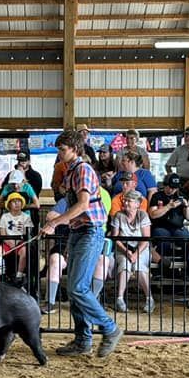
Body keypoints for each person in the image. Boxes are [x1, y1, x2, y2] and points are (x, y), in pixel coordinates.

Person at [41, 129, 121, 357]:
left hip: (90, 230)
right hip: (79, 231)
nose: (60, 153)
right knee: (77, 288)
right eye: (58, 149)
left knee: (77, 287)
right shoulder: (71, 171)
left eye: (62, 149)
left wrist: (55, 223)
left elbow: (83, 204)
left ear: (75, 149)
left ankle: (110, 328)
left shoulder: (82, 170)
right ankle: (82, 340)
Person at [110, 190, 152, 313]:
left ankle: (149, 299)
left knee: (139, 266)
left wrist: (136, 254)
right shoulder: (119, 215)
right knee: (125, 265)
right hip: (123, 248)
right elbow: (115, 238)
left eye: (129, 201)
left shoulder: (143, 215)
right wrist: (127, 251)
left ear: (137, 204)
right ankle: (120, 299)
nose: (126, 202)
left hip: (141, 248)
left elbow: (146, 239)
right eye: (125, 200)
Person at [148, 172, 189, 260]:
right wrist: (168, 206)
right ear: (165, 185)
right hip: (161, 226)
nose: (172, 190)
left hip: (177, 227)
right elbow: (153, 215)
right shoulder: (157, 196)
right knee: (164, 240)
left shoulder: (181, 196)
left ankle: (185, 266)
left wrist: (186, 206)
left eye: (175, 188)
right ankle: (163, 266)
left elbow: (188, 217)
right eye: (171, 187)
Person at [0, 192, 34, 283]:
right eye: (14, 201)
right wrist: (10, 242)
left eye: (19, 201)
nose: (17, 203)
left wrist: (17, 243)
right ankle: (2, 274)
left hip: (20, 243)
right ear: (9, 204)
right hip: (7, 242)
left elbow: (27, 233)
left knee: (24, 252)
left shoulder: (26, 217)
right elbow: (2, 233)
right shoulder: (4, 217)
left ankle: (19, 275)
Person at [164, 126, 189, 197]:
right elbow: (168, 166)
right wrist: (173, 177)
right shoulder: (178, 150)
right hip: (180, 179)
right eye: (186, 135)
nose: (187, 138)